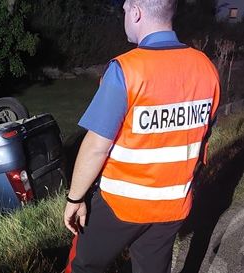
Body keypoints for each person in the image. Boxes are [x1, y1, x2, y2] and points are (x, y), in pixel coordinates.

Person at [63, 0, 220, 273]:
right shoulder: (206, 67)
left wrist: (75, 199)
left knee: (84, 265)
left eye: (124, 10)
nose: (124, 15)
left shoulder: (126, 70)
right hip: (174, 203)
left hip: (121, 205)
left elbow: (95, 147)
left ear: (136, 12)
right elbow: (202, 137)